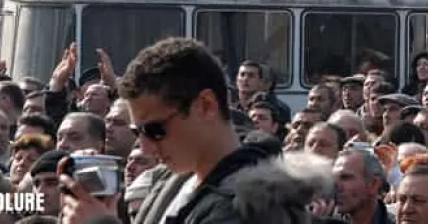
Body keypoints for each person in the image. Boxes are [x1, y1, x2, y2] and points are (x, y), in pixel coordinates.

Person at [60, 37, 335, 224]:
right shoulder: (172, 180)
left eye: (155, 129)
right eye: (138, 131)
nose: (144, 146)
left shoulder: (248, 208)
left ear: (205, 106)